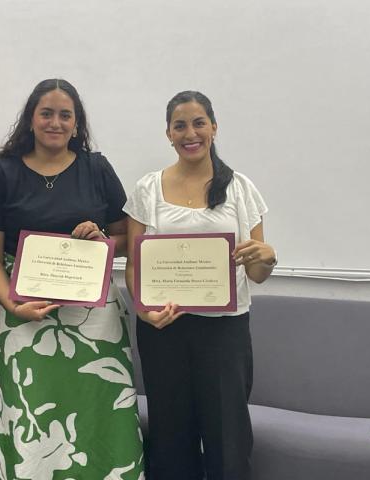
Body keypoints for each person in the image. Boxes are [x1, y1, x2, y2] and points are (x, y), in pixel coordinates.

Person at [0, 79, 144, 479]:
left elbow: (128, 240)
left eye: (66, 115)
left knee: (94, 417)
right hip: (20, 319)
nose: (55, 122)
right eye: (46, 113)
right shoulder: (2, 173)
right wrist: (12, 304)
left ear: (77, 125)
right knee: (23, 418)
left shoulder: (97, 168)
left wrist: (101, 240)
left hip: (93, 324)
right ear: (31, 119)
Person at [124, 90, 277, 480]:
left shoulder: (241, 189)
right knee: (170, 437)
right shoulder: (147, 189)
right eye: (180, 126)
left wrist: (267, 258)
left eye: (198, 123)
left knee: (229, 438)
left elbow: (255, 272)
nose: (190, 133)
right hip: (164, 329)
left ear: (213, 127)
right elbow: (135, 265)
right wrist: (143, 309)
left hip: (224, 331)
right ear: (168, 134)